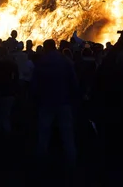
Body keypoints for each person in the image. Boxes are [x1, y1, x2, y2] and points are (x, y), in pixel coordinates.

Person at [31, 39, 78, 168]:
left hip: (45, 102)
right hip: (64, 101)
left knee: (44, 132)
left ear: (46, 48)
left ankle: (41, 162)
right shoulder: (65, 61)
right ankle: (71, 162)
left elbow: (35, 84)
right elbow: (73, 82)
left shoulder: (41, 62)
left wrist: (35, 98)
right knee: (67, 133)